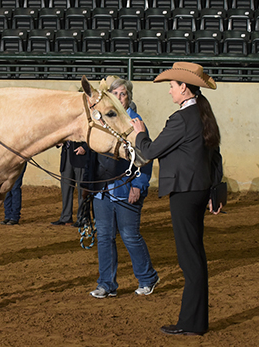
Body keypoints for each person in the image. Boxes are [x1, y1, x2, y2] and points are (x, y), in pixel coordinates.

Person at [130, 62, 223, 337]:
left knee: (189, 258)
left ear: (184, 88)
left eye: (172, 86)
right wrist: (215, 191)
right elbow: (214, 157)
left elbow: (149, 151)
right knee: (195, 255)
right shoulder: (203, 114)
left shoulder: (181, 119)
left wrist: (139, 133)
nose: (170, 91)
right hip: (198, 190)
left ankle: (191, 323)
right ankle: (196, 321)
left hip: (184, 191)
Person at [85, 76, 159, 299]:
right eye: (114, 94)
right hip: (103, 188)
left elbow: (146, 156)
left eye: (122, 94)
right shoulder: (105, 121)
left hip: (126, 187)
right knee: (105, 236)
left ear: (128, 98)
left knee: (129, 235)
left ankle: (147, 278)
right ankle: (106, 284)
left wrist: (138, 185)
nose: (119, 98)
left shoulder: (135, 122)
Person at [51, 141, 88, 226]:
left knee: (82, 191)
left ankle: (82, 218)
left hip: (80, 156)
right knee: (65, 188)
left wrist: (85, 148)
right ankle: (66, 217)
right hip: (66, 155)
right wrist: (58, 141)